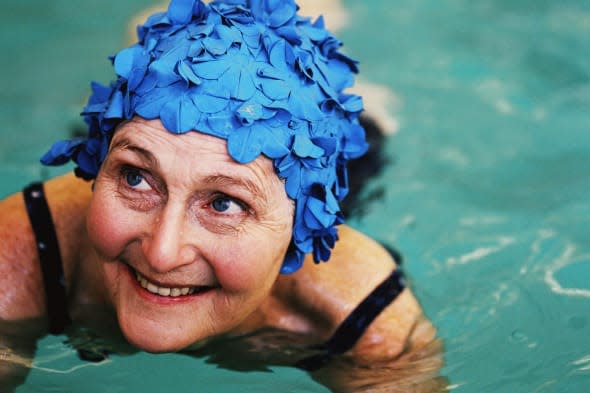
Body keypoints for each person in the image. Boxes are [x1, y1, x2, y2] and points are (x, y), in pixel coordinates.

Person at [0, 0, 442, 391]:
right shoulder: (22, 254)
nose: (162, 254)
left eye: (223, 203)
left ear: (297, 228)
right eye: (135, 178)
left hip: (329, 150)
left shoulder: (360, 321)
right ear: (100, 169)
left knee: (358, 101)